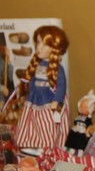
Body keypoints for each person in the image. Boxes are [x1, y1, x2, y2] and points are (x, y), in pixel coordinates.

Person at [11, 24, 69, 153]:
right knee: (31, 123)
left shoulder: (58, 69)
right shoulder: (37, 65)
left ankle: (46, 146)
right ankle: (31, 143)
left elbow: (61, 86)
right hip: (35, 99)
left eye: (45, 44)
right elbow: (32, 81)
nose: (39, 47)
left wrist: (57, 100)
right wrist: (28, 92)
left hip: (48, 100)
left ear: (54, 48)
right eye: (38, 42)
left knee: (47, 124)